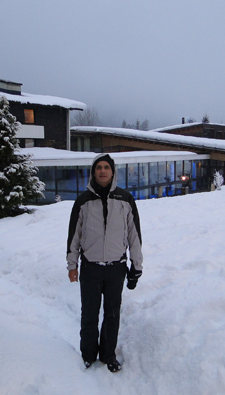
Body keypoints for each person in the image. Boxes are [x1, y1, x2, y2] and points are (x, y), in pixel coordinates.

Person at [66, 153, 143, 373]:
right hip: (90, 268)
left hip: (116, 268)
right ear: (93, 172)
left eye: (106, 167)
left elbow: (134, 235)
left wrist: (136, 266)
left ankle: (108, 355)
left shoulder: (125, 199)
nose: (102, 171)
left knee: (112, 314)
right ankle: (88, 355)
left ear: (112, 171)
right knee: (89, 314)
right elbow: (74, 236)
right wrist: (73, 265)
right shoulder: (83, 201)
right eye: (98, 167)